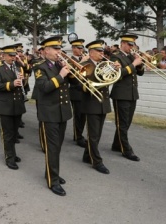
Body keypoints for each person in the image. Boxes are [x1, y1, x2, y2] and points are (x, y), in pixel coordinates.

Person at [34, 36, 72, 196]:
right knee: (52, 146)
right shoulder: (40, 67)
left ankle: (50, 171)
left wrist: (69, 72)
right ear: (46, 50)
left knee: (58, 145)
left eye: (60, 49)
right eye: (56, 49)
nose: (59, 52)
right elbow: (45, 87)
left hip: (62, 111)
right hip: (49, 113)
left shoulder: (59, 65)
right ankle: (53, 180)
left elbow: (75, 84)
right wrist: (62, 75)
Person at [109, 34, 145, 161]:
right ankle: (126, 149)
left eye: (133, 45)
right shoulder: (115, 56)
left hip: (132, 93)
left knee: (127, 122)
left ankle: (116, 144)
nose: (131, 47)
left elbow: (140, 73)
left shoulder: (131, 57)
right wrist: (134, 64)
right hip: (121, 94)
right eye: (130, 44)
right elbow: (118, 75)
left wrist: (139, 63)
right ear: (122, 43)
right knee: (122, 123)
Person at [79, 40, 113, 175]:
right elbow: (80, 85)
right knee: (93, 135)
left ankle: (87, 155)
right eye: (99, 51)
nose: (102, 53)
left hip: (102, 102)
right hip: (91, 103)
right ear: (91, 53)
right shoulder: (84, 65)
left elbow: (110, 80)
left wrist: (114, 69)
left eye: (102, 51)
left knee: (97, 133)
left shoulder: (103, 65)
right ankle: (96, 161)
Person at [0, 45, 27, 170]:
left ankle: (13, 153)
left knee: (14, 133)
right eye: (11, 56)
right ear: (4, 56)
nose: (13, 58)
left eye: (14, 55)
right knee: (7, 133)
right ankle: (9, 157)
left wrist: (22, 81)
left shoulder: (17, 68)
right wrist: (11, 84)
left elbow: (21, 83)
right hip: (5, 105)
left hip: (17, 104)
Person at [68, 38, 87, 148]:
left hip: (85, 90)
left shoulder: (84, 58)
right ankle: (78, 136)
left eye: (82, 48)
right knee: (78, 115)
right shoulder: (69, 60)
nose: (81, 50)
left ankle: (79, 135)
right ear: (73, 49)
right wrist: (82, 62)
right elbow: (72, 77)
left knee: (83, 115)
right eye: (79, 48)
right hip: (75, 90)